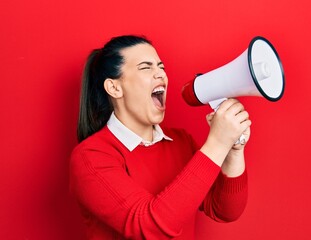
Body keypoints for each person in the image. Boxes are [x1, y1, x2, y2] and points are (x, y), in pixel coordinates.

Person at [70, 35, 252, 240]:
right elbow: (148, 228)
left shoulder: (181, 142)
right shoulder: (91, 156)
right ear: (114, 88)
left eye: (161, 67)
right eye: (146, 68)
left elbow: (225, 210)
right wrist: (217, 143)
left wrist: (234, 150)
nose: (161, 75)